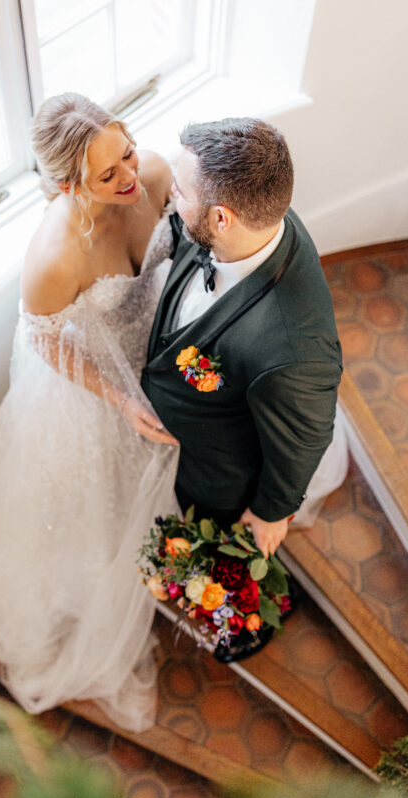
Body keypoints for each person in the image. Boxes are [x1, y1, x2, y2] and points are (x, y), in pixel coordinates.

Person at [0, 93, 180, 732]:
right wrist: (122, 399)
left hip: (153, 348)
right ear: (66, 185)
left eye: (128, 152)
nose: (130, 177)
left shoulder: (157, 175)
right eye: (108, 175)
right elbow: (47, 342)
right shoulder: (55, 257)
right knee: (99, 515)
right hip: (90, 390)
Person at [141, 117, 347, 662]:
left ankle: (247, 622)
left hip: (225, 477)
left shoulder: (289, 351)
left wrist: (270, 513)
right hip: (200, 438)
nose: (171, 196)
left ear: (221, 218)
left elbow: (306, 436)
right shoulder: (252, 220)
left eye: (180, 191)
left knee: (229, 554)